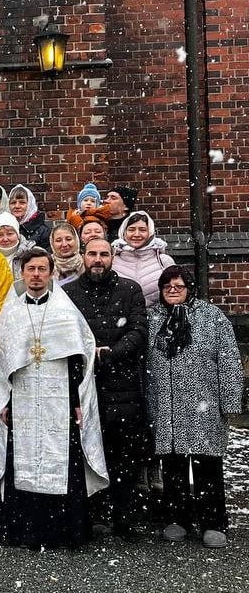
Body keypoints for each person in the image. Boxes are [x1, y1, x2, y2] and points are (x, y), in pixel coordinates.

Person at [0, 248, 108, 549]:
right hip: (23, 396)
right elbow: (0, 360)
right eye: (31, 269)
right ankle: (24, 531)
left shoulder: (65, 311)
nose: (37, 275)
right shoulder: (11, 312)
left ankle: (65, 533)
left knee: (62, 460)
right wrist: (3, 401)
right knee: (24, 461)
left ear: (52, 273)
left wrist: (79, 400)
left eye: (43, 269)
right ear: (22, 272)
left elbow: (80, 358)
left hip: (61, 398)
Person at [146, 266, 244, 549]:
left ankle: (213, 521)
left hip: (205, 404)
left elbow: (229, 361)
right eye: (167, 287)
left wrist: (230, 400)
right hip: (166, 404)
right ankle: (177, 518)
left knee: (207, 463)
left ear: (190, 288)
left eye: (179, 285)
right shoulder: (153, 318)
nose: (173, 290)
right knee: (173, 463)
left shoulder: (211, 316)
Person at [63, 237, 149, 540]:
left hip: (123, 385)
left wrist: (110, 353)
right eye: (92, 254)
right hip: (85, 384)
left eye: (103, 254)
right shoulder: (68, 293)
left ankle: (125, 517)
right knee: (88, 451)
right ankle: (95, 515)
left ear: (112, 256)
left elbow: (138, 331)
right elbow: (65, 335)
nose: (97, 259)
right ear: (83, 257)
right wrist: (87, 356)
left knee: (125, 456)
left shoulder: (130, 290)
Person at [112, 210, 175, 307]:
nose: (137, 234)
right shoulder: (112, 261)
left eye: (142, 230)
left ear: (150, 232)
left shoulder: (164, 261)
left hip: (158, 319)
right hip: (121, 320)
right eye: (131, 229)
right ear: (123, 232)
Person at [0, 213, 34, 280]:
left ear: (18, 235)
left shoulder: (33, 254)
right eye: (0, 235)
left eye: (10, 234)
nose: (5, 239)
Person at [7, 185, 51, 249]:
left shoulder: (42, 231)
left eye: (22, 202)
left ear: (30, 204)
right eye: (13, 202)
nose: (17, 206)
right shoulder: (5, 226)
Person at [50, 223, 84, 287]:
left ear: (76, 240)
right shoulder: (47, 266)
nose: (64, 244)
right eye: (58, 240)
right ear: (52, 243)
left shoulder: (86, 264)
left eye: (68, 239)